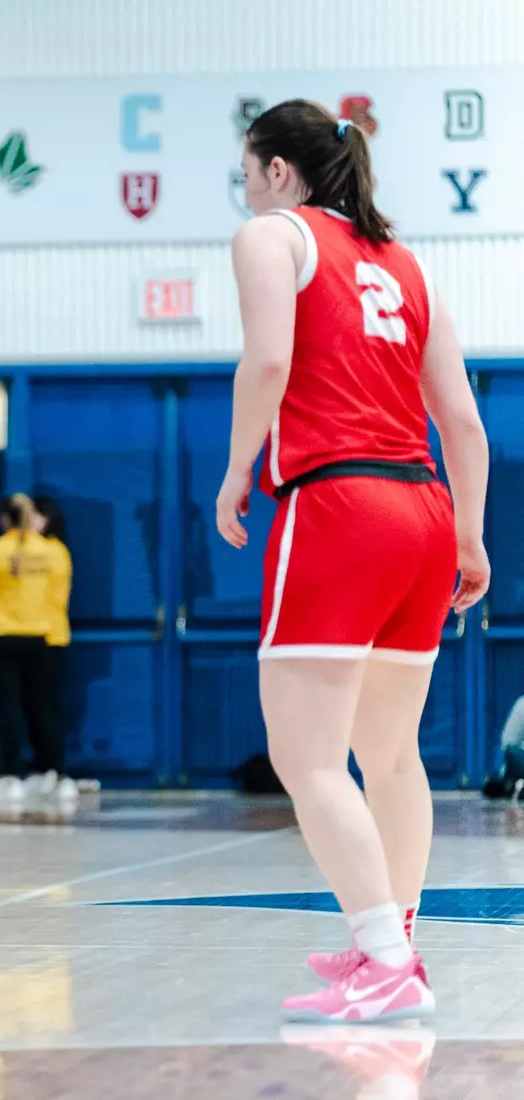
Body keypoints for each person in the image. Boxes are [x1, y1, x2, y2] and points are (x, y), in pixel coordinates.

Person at [216, 99, 489, 1022]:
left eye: (247, 170)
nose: (246, 187)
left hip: (338, 505)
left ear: (279, 172)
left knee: (308, 757)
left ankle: (386, 962)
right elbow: (463, 420)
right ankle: (393, 940)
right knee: (391, 752)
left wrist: (235, 469)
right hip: (421, 507)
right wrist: (470, 534)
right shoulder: (409, 265)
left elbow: (265, 366)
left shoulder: (272, 237)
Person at [0, 494, 74, 806]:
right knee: (43, 707)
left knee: (10, 707)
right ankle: (53, 773)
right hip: (43, 634)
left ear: (5, 520)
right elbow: (60, 593)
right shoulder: (55, 551)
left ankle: (10, 777)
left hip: (4, 634)